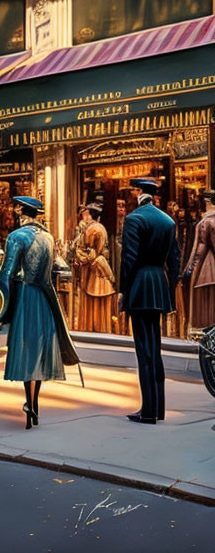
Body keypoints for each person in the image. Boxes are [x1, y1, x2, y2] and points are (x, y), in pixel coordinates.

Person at [0, 197, 80, 429]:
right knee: (40, 351)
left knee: (25, 350)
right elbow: (57, 267)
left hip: (25, 297)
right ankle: (34, 405)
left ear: (22, 213)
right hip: (44, 298)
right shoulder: (48, 237)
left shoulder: (16, 236)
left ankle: (29, 404)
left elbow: (8, 273)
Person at [119, 178, 180, 424]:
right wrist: (171, 289)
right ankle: (158, 408)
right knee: (155, 347)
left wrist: (124, 292)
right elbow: (175, 259)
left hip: (141, 284)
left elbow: (129, 259)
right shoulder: (168, 221)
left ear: (138, 193)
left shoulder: (134, 219)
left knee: (143, 349)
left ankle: (148, 411)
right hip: (159, 282)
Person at [74, 202, 116, 333]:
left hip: (93, 268)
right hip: (101, 266)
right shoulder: (101, 227)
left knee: (92, 300)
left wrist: (80, 256)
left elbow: (87, 253)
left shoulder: (91, 229)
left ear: (89, 214)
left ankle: (92, 327)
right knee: (101, 302)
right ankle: (103, 328)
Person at [182, 189, 215, 331]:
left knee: (207, 311)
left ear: (208, 202)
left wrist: (190, 269)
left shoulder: (207, 221)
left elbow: (201, 248)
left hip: (207, 270)